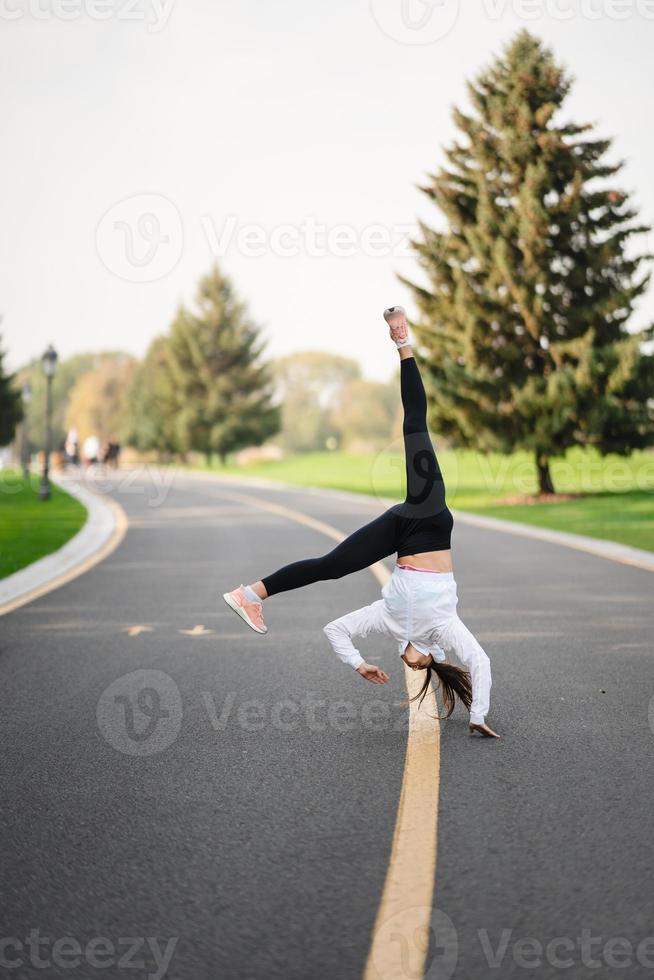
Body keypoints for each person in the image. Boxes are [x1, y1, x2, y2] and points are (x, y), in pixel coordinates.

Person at [224, 307, 498, 738]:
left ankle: (249, 594)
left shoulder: (386, 622)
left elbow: (336, 630)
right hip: (428, 513)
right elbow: (479, 661)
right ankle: (402, 341)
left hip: (401, 534)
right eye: (419, 665)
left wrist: (357, 663)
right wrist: (478, 716)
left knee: (330, 565)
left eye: (408, 664)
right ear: (428, 655)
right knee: (414, 427)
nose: (409, 664)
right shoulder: (443, 629)